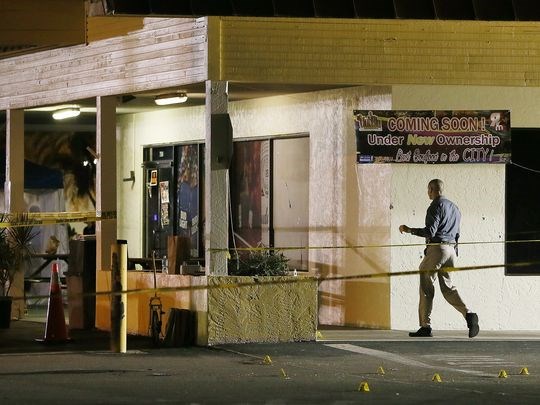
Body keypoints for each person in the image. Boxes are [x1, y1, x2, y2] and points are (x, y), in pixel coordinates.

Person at [399, 179, 479, 338]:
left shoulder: (435, 206)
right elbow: (457, 234)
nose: (427, 193)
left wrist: (409, 230)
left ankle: (425, 326)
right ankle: (469, 314)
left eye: (428, 190)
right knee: (448, 288)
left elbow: (430, 231)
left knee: (426, 287)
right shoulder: (455, 208)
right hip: (451, 250)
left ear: (431, 189)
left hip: (437, 249)